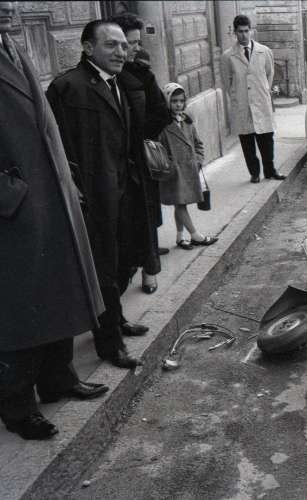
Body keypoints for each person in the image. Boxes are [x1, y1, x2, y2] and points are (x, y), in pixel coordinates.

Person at [0, 1, 108, 440]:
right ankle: (17, 406)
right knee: (19, 311)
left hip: (50, 195)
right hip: (16, 207)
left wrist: (67, 180)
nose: (8, 7)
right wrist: (11, 194)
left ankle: (58, 378)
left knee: (56, 294)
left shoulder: (11, 45)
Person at [46, 20, 147, 369]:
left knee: (122, 262)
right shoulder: (67, 87)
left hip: (122, 192)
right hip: (93, 196)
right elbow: (55, 145)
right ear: (88, 48)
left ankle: (115, 320)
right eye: (111, 45)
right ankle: (110, 344)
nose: (121, 52)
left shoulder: (118, 82)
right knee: (103, 269)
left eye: (124, 45)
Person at [110, 12, 172, 295]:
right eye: (131, 42)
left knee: (147, 217)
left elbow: (162, 113)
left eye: (137, 42)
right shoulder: (105, 75)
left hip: (140, 161)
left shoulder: (143, 74)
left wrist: (136, 134)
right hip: (115, 162)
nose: (136, 48)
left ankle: (149, 271)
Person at [221, 14, 284, 183]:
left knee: (266, 139)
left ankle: (270, 171)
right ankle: (254, 173)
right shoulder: (228, 56)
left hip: (261, 102)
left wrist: (264, 90)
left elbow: (269, 73)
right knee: (247, 141)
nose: (243, 35)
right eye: (240, 32)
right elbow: (227, 82)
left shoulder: (264, 51)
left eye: (246, 31)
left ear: (251, 31)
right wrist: (237, 97)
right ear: (235, 33)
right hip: (242, 104)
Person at [158, 83, 218, 249]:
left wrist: (198, 160)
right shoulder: (163, 124)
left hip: (190, 169)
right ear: (167, 101)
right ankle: (195, 235)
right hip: (174, 172)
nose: (178, 105)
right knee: (180, 203)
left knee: (180, 203)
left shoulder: (187, 121)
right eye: (174, 101)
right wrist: (169, 165)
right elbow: (159, 149)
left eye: (181, 101)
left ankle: (179, 237)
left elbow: (198, 143)